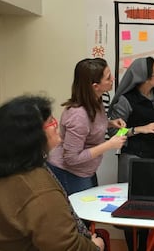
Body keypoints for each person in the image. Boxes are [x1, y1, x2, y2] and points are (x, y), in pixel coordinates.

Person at [0, 95, 104, 251]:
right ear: (32, 136)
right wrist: (95, 247)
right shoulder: (39, 190)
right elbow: (67, 247)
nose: (56, 125)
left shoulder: (14, 167)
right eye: (50, 122)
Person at [108, 56, 154, 251]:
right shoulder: (127, 100)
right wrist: (139, 130)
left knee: (149, 206)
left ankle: (143, 246)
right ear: (144, 77)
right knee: (132, 206)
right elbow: (112, 132)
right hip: (133, 158)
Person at [47, 58, 127, 195]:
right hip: (70, 172)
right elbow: (71, 158)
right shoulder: (78, 116)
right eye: (108, 78)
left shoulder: (97, 99)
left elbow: (92, 125)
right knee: (80, 213)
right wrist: (109, 145)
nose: (113, 79)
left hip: (86, 170)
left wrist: (110, 123)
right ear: (95, 86)